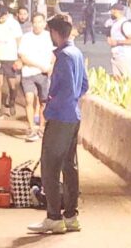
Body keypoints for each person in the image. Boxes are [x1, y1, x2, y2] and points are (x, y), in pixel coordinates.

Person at [31, 13, 88, 234]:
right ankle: (71, 216)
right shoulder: (77, 53)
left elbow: (64, 91)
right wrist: (71, 103)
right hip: (73, 116)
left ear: (55, 32)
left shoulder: (63, 56)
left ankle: (54, 217)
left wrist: (49, 109)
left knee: (50, 166)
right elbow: (84, 85)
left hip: (60, 117)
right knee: (69, 166)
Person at [17, 13, 54, 138]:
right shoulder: (26, 38)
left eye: (40, 22)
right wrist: (38, 65)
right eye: (35, 22)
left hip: (43, 74)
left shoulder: (49, 37)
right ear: (31, 24)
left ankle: (41, 127)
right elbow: (23, 57)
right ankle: (32, 127)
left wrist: (51, 66)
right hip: (28, 73)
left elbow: (54, 54)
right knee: (29, 99)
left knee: (43, 102)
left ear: (44, 23)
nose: (37, 25)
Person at [0, 5, 24, 116]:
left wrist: (19, 57)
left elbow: (19, 41)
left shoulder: (14, 24)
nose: (0, 20)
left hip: (11, 58)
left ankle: (12, 101)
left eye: (2, 18)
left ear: (7, 14)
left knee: (13, 85)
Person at [105, 3, 131, 84]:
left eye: (112, 12)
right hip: (115, 56)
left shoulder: (125, 24)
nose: (111, 14)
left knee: (129, 82)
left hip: (124, 56)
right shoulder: (114, 23)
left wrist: (117, 42)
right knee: (117, 82)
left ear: (117, 11)